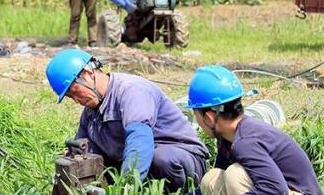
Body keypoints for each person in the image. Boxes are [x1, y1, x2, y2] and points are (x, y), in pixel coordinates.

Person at [46, 49, 209, 193]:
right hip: (139, 163)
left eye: (75, 91)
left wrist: (125, 188)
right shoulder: (91, 110)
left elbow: (139, 143)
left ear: (88, 73)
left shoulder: (131, 91)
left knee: (161, 159)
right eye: (70, 97)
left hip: (181, 159)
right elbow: (82, 151)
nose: (76, 100)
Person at [187, 65, 322, 195]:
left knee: (236, 175)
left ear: (209, 118)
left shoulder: (245, 142)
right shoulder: (227, 137)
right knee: (212, 179)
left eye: (196, 114)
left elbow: (275, 189)